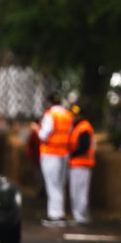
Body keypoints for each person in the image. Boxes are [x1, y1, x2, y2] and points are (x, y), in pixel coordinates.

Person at [35, 91, 73, 226]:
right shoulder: (67, 115)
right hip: (64, 153)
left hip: (50, 153)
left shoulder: (50, 114)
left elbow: (43, 135)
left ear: (49, 102)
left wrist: (36, 129)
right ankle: (60, 213)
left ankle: (54, 215)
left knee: (52, 184)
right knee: (60, 185)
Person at [67, 104, 96, 226]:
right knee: (77, 191)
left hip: (81, 164)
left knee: (79, 192)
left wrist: (72, 154)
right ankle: (80, 216)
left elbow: (84, 146)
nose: (74, 117)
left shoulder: (83, 127)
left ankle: (81, 217)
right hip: (78, 164)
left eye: (76, 115)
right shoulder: (78, 126)